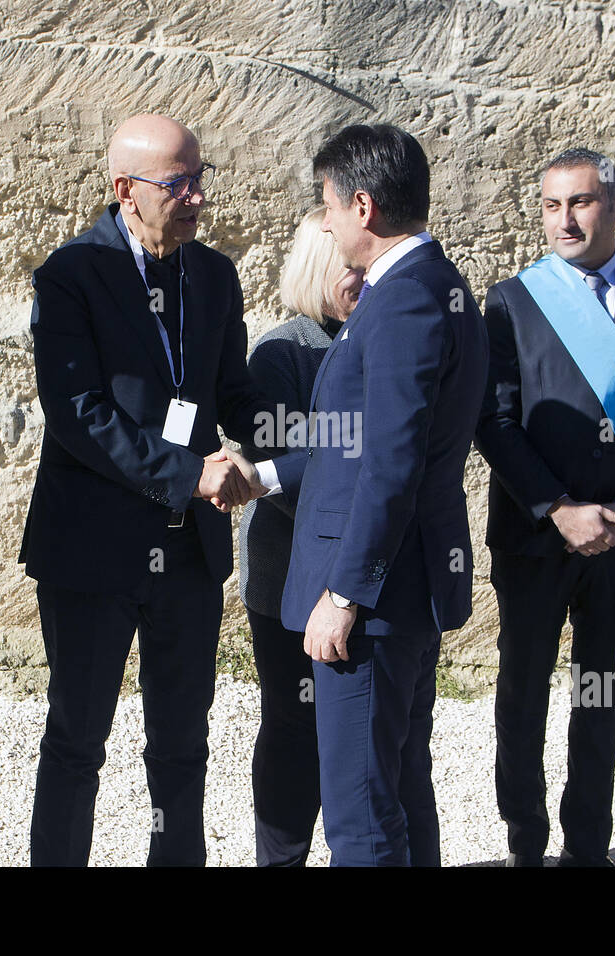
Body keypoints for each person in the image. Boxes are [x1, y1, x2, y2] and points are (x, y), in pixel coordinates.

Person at [19, 113, 273, 867]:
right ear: (125, 189)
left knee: (182, 741)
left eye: (200, 178)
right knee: (76, 738)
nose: (196, 196)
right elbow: (77, 416)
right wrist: (188, 473)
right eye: (178, 183)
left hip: (188, 554)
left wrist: (300, 436)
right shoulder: (70, 277)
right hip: (93, 552)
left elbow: (232, 392)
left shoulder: (213, 275)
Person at [252, 123, 488, 866]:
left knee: (359, 809)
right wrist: (259, 476)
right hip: (407, 590)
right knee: (400, 784)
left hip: (376, 603)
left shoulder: (403, 302)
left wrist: (346, 593)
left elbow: (392, 463)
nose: (323, 222)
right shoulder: (439, 289)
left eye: (327, 204)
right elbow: (354, 451)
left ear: (362, 206)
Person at [475, 147, 615, 867]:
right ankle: (526, 845)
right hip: (537, 538)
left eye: (580, 202)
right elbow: (495, 420)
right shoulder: (512, 299)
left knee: (601, 697)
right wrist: (559, 508)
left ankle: (588, 848)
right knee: (522, 695)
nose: (564, 219)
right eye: (551, 205)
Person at [237, 206, 363, 866]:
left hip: (365, 574)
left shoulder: (378, 339)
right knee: (294, 725)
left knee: (359, 732)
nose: (365, 275)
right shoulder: (282, 352)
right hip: (292, 574)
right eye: (351, 266)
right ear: (319, 266)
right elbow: (282, 472)